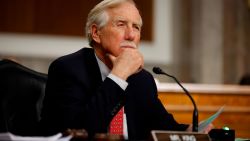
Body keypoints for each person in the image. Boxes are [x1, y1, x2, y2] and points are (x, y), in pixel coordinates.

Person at [39, 0, 213, 140]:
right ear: (96, 33)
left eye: (136, 27)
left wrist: (190, 131)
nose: (131, 35)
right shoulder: (68, 69)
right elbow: (77, 132)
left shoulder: (142, 79)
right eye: (121, 24)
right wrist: (118, 76)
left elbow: (162, 126)